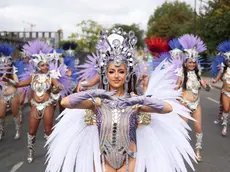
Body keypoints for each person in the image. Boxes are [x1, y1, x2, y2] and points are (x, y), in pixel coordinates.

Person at [45, 28, 196, 172]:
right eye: (111, 71)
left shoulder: (135, 102)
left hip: (129, 159)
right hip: (104, 158)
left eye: (121, 71)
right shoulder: (98, 102)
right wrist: (96, 92)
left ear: (127, 75)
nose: (116, 75)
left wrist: (141, 99)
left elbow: (167, 108)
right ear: (106, 74)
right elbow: (65, 102)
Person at [4, 40, 63, 163]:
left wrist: (57, 88)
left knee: (48, 130)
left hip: (47, 105)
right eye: (42, 65)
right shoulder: (33, 77)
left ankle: (50, 152)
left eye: (47, 65)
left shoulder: (51, 77)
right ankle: (30, 151)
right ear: (38, 66)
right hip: (36, 106)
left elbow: (57, 87)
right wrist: (8, 81)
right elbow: (19, 84)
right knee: (32, 130)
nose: (45, 67)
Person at [175, 34, 211, 162]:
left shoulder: (198, 73)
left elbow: (207, 88)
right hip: (184, 104)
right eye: (189, 62)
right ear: (185, 63)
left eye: (194, 62)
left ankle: (197, 151)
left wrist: (207, 86)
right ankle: (181, 151)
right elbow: (177, 87)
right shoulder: (181, 73)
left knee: (198, 128)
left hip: (196, 104)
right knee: (183, 130)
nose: (192, 64)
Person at [0, 43, 21, 141]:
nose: (5, 66)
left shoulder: (13, 74)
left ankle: (17, 130)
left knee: (15, 113)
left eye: (7, 64)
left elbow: (17, 83)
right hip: (2, 96)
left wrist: (8, 80)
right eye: (3, 64)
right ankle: (1, 130)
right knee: (1, 115)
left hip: (13, 95)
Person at [212, 41, 230, 136]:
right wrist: (215, 81)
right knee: (225, 108)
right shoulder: (223, 69)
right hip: (225, 92)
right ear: (226, 61)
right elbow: (218, 76)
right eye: (229, 61)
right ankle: (225, 126)